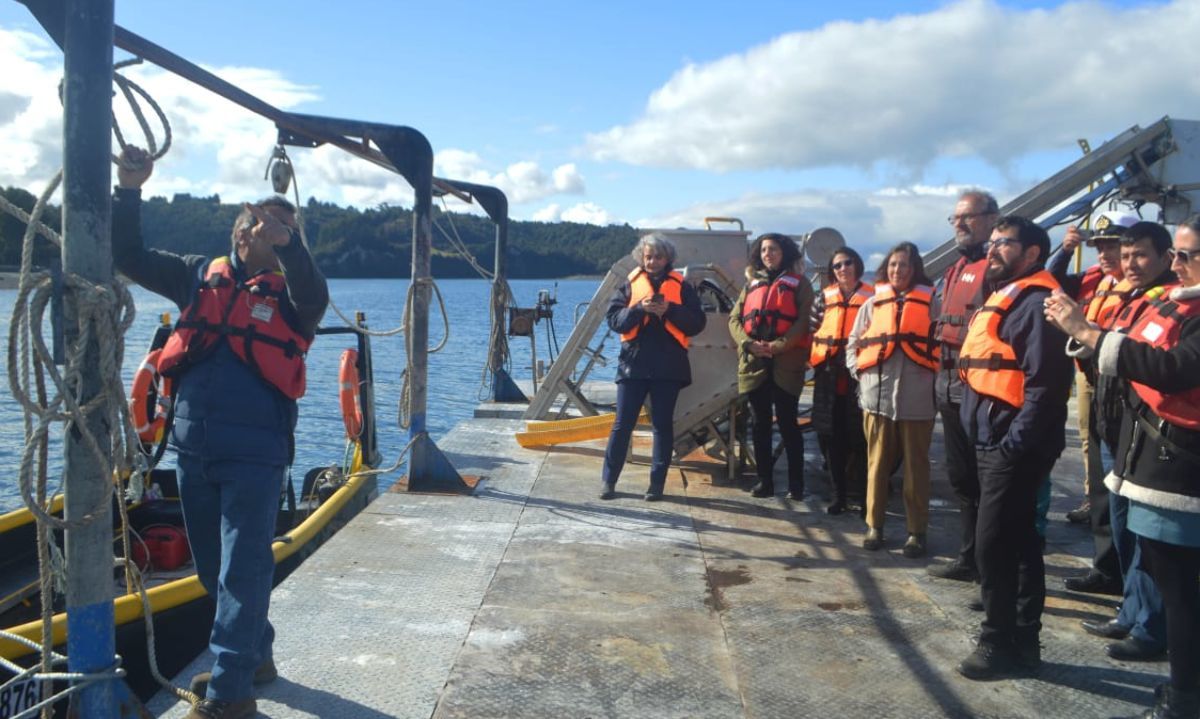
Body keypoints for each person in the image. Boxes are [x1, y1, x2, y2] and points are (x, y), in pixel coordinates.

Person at [113, 146, 329, 719]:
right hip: (193, 451)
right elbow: (127, 254)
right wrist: (129, 188)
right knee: (213, 570)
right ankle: (255, 654)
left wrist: (292, 244)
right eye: (261, 222)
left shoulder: (292, 295)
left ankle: (231, 695)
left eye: (283, 228)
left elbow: (316, 296)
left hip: (256, 455)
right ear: (239, 230)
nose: (269, 232)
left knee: (242, 567)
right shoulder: (195, 276)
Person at [1044, 215, 1200, 719]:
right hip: (1141, 455)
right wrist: (1087, 335)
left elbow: (1173, 369)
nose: (1177, 264)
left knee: (1179, 588)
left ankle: (1183, 693)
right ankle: (1153, 641)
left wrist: (1088, 331)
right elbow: (1125, 348)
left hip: (1175, 470)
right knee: (1153, 560)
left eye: (1185, 254)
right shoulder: (1169, 304)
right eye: (1176, 254)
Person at [955, 216, 1072, 681]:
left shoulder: (1039, 304)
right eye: (993, 242)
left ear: (1032, 255)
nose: (994, 249)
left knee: (993, 545)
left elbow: (1046, 386)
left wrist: (1011, 447)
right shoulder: (1007, 297)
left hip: (1010, 445)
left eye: (1006, 243)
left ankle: (997, 638)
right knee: (1020, 541)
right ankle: (1026, 641)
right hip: (992, 439)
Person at [1064, 221, 1175, 662]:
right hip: (1118, 431)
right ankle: (1131, 612)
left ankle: (1151, 629)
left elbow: (1150, 362)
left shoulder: (1168, 305)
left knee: (1148, 538)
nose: (1130, 264)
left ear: (1168, 258)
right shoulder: (1132, 300)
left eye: (1140, 255)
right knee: (1126, 527)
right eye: (1126, 256)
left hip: (1146, 438)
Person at [846, 242, 938, 557]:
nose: (899, 270)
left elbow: (944, 344)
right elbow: (854, 342)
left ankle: (917, 532)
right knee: (876, 464)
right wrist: (859, 373)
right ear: (887, 267)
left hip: (918, 400)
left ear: (916, 270)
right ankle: (875, 525)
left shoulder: (931, 304)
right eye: (894, 264)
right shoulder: (872, 305)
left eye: (906, 265)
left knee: (917, 468)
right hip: (876, 398)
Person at [600, 233, 706, 501]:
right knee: (622, 425)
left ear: (668, 258)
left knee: (662, 426)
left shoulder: (682, 288)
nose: (653, 261)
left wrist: (669, 310)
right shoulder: (629, 286)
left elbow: (697, 323)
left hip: (668, 368)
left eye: (658, 257)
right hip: (632, 366)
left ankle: (656, 486)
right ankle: (608, 481)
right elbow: (614, 320)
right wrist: (639, 309)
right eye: (648, 256)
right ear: (641, 258)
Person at [1046, 211, 1137, 525]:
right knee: (1090, 437)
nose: (1105, 253)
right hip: (1088, 375)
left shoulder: (1142, 285)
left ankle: (1119, 502)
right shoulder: (1093, 278)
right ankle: (1093, 496)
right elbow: (1053, 279)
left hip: (1123, 378)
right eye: (1100, 246)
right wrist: (1067, 250)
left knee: (1120, 442)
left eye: (1112, 245)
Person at [927, 189, 997, 583]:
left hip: (979, 390)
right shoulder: (954, 270)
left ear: (991, 218)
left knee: (989, 482)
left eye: (967, 217)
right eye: (955, 218)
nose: (959, 224)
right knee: (962, 479)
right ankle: (968, 556)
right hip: (948, 386)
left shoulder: (998, 268)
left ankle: (992, 568)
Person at [730, 233, 815, 499]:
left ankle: (796, 485)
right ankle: (764, 481)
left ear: (784, 253)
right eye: (764, 250)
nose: (768, 254)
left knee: (789, 424)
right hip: (755, 364)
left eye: (774, 249)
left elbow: (803, 322)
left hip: (785, 365)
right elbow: (734, 320)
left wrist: (779, 346)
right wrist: (748, 344)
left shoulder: (800, 285)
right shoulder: (750, 285)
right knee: (760, 424)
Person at [809, 247, 873, 514]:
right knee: (829, 435)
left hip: (860, 374)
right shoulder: (822, 299)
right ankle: (839, 495)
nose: (843, 269)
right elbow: (813, 330)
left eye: (847, 263)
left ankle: (863, 495)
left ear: (857, 264)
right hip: (828, 376)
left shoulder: (873, 298)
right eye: (837, 266)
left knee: (861, 438)